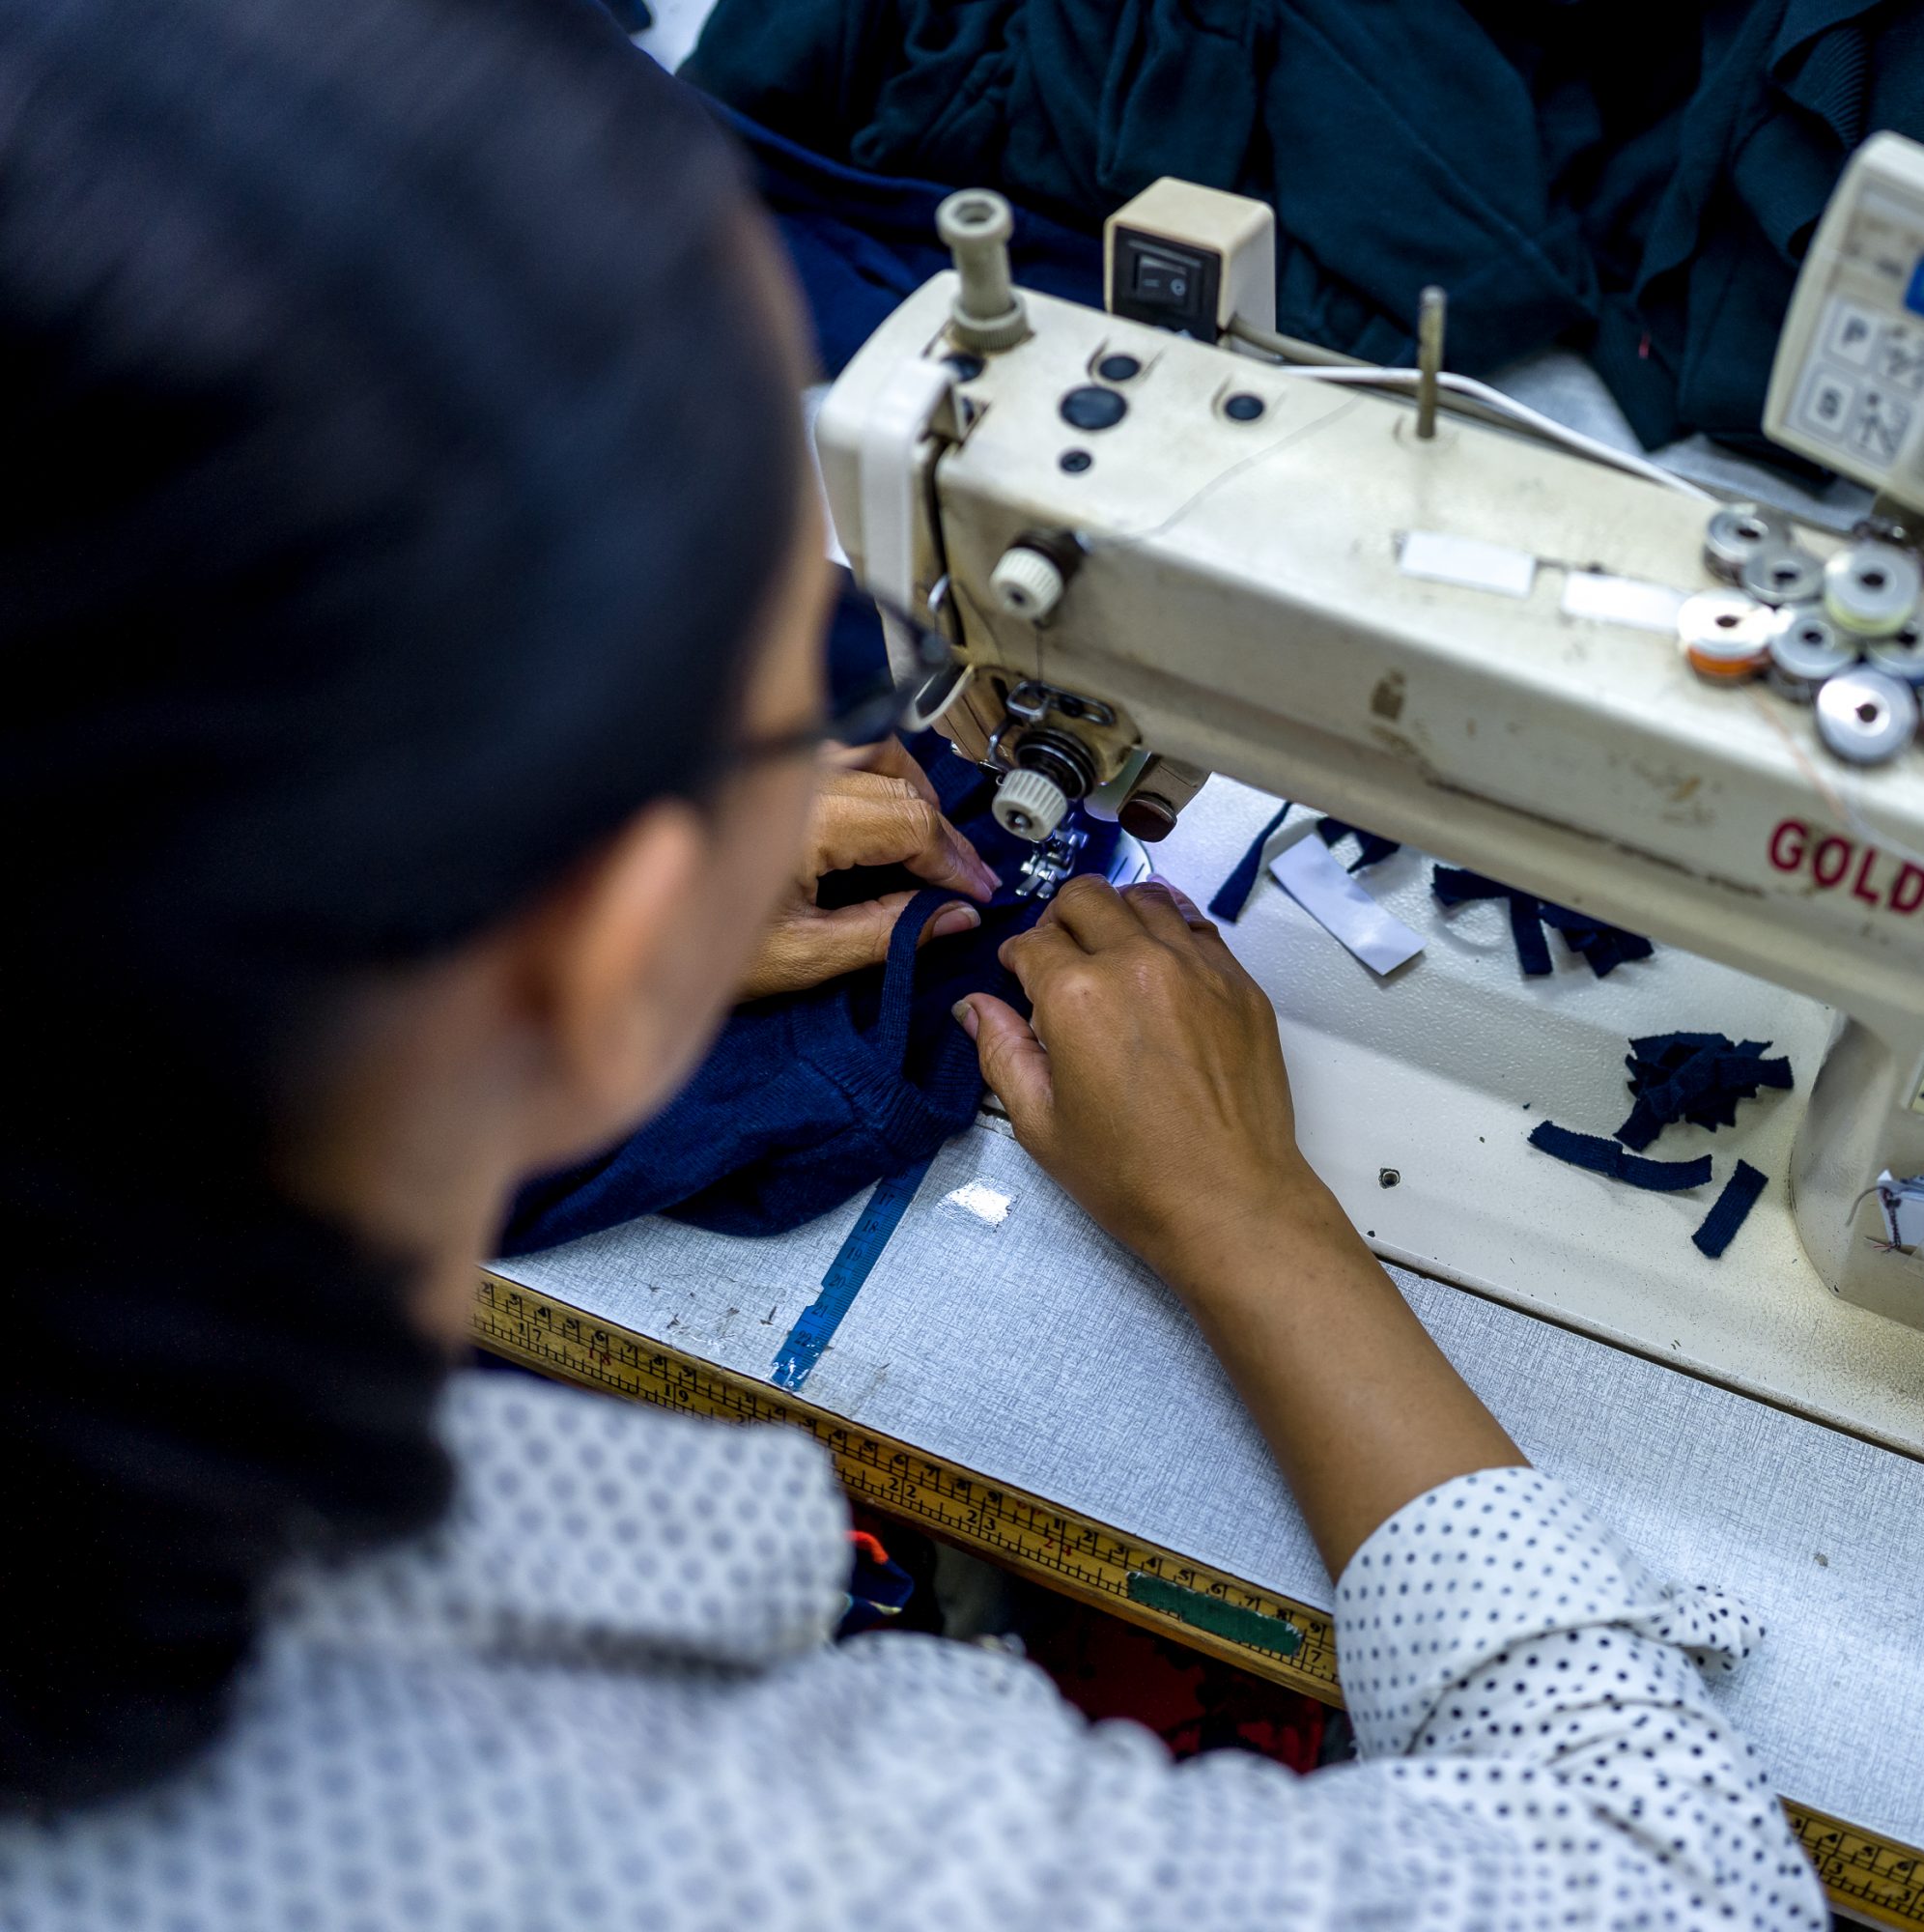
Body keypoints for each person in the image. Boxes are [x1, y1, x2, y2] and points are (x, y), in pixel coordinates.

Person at [0, 1, 1827, 1925]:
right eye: (787, 679)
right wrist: (1254, 1224)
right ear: (604, 975)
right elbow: (1686, 1883)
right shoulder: (683, 1844)